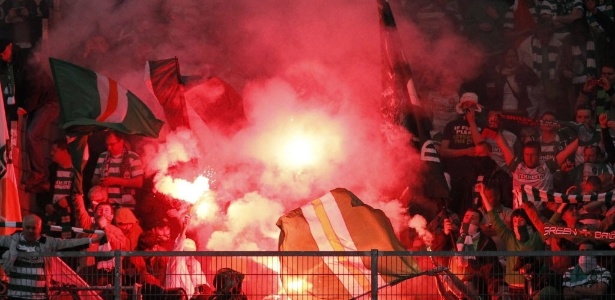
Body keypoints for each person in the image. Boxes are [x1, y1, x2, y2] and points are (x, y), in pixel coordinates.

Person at [0, 214, 105, 300]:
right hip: (17, 295)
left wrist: (91, 240)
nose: (30, 231)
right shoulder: (12, 240)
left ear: (40, 228)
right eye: (27, 227)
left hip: (39, 296)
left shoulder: (45, 241)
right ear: (23, 227)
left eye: (34, 228)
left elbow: (67, 243)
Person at [478, 182, 545, 298]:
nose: (517, 224)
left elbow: (547, 226)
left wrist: (562, 204)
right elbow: (494, 218)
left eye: (521, 221)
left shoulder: (537, 237)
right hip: (511, 288)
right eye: (514, 221)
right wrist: (482, 194)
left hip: (532, 287)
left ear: (528, 222)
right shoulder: (510, 237)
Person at [441, 208, 503, 299]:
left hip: (475, 289)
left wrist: (470, 262)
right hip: (451, 288)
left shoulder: (486, 243)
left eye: (473, 218)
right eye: (466, 217)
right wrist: (445, 234)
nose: (468, 219)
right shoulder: (454, 236)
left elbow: (490, 269)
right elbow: (438, 250)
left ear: (479, 224)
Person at [91, 130, 144, 210]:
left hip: (126, 209)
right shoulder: (102, 156)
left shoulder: (133, 157)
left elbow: (139, 183)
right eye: (107, 144)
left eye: (112, 144)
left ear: (121, 141)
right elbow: (93, 180)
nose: (109, 148)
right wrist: (100, 181)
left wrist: (115, 181)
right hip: (106, 208)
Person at [164, 215, 210, 299]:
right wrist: (184, 229)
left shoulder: (195, 264)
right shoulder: (175, 264)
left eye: (192, 253)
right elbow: (177, 247)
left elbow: (202, 283)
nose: (190, 256)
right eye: (187, 253)